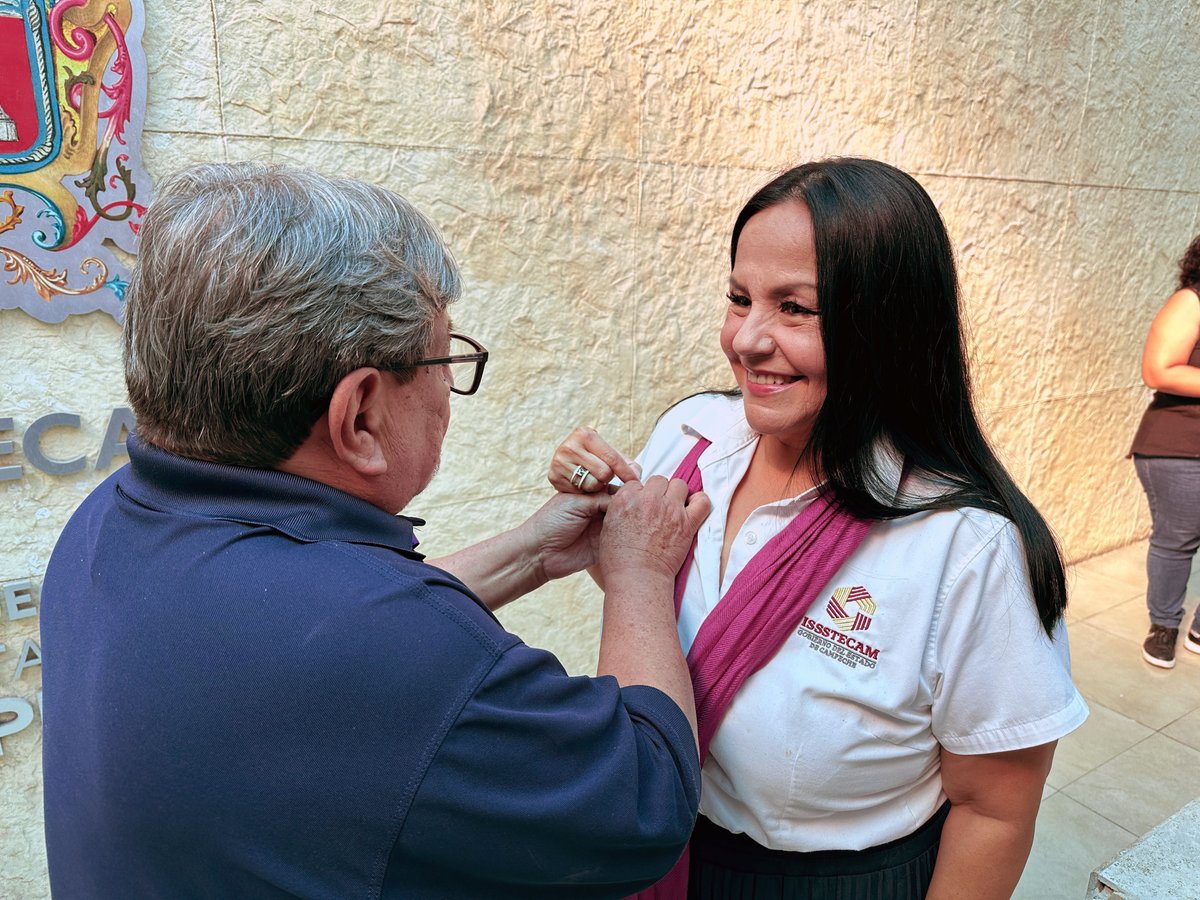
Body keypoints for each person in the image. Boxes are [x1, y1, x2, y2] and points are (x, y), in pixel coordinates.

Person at [40, 162, 713, 899]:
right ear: (359, 415)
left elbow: (315, 654)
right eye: (443, 359)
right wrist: (642, 574)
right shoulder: (385, 645)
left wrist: (531, 553)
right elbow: (645, 796)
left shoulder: (112, 517)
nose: (447, 393)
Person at [550, 158, 1088, 899]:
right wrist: (601, 531)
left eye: (796, 309)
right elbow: (672, 611)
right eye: (740, 298)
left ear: (889, 327)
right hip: (659, 846)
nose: (746, 340)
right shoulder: (692, 438)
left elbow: (994, 809)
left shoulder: (965, 548)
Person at [1130, 233, 1200, 668]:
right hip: (1181, 444)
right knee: (1177, 540)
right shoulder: (1192, 301)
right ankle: (1164, 624)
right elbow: (1158, 369)